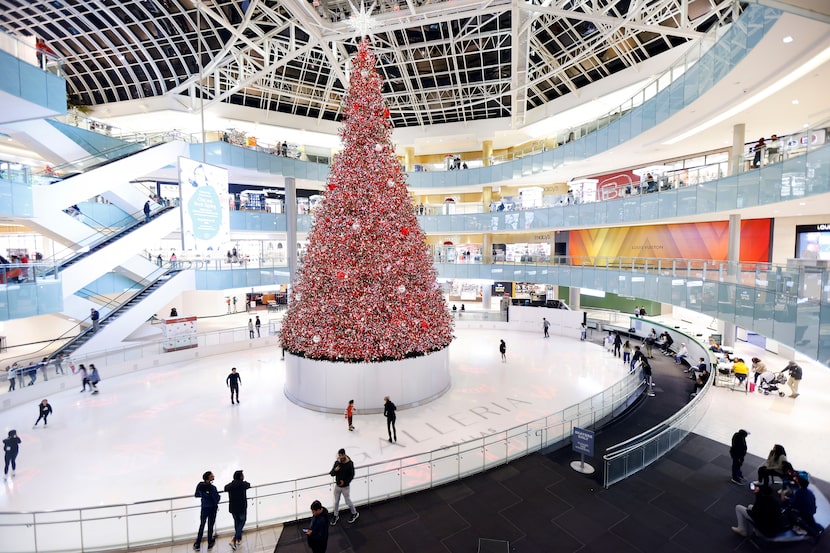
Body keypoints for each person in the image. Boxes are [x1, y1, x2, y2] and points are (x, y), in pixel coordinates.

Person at [780, 472, 822, 538]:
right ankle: (820, 530)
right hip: (812, 510)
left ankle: (813, 534)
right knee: (812, 523)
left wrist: (786, 498)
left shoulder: (799, 492)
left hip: (805, 512)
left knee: (788, 511)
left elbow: (793, 503)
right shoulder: (809, 491)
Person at [329, 448, 359, 525]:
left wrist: (345, 482)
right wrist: (335, 470)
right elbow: (332, 473)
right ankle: (335, 515)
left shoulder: (349, 463)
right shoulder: (337, 463)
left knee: (347, 501)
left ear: (344, 455)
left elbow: (351, 475)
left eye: (341, 455)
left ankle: (354, 513)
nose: (340, 457)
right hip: (337, 486)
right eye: (339, 456)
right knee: (336, 502)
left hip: (345, 487)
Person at [224, 469, 251, 550]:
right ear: (240, 477)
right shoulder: (243, 484)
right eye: (242, 475)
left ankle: (238, 539)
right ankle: (234, 539)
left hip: (233, 508)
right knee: (242, 521)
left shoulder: (231, 485)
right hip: (241, 507)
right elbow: (248, 484)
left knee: (237, 522)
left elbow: (225, 488)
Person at [193, 471, 220, 550]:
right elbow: (216, 499)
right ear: (208, 478)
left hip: (204, 507)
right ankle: (210, 543)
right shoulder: (212, 488)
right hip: (212, 508)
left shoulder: (200, 486)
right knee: (210, 525)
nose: (213, 476)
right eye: (212, 476)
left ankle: (198, 543)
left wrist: (204, 495)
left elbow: (196, 494)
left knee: (202, 525)